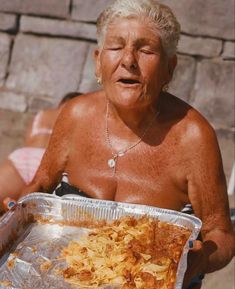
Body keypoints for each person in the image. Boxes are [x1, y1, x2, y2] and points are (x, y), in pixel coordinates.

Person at [19, 1, 234, 288]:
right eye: (116, 47)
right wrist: (14, 212)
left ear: (170, 69)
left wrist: (200, 259)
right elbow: (40, 186)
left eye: (145, 50)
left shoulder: (193, 137)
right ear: (98, 61)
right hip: (66, 274)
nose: (129, 60)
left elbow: (221, 233)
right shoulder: (75, 115)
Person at [0, 92, 81, 210]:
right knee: (25, 218)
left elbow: (28, 140)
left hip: (24, 158)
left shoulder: (42, 115)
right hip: (50, 165)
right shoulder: (78, 119)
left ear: (61, 102)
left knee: (10, 208)